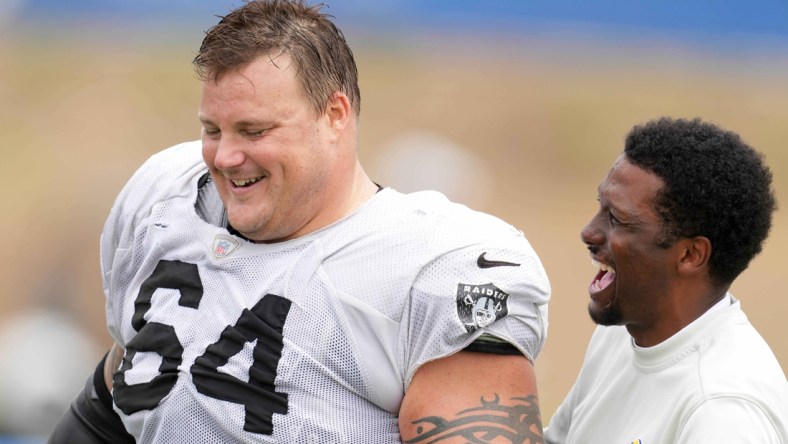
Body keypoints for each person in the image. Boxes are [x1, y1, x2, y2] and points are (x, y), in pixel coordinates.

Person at [48, 1, 551, 442]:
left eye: (253, 130)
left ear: (335, 114)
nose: (224, 157)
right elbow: (122, 391)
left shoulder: (431, 266)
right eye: (212, 129)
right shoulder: (165, 199)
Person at [544, 117, 788, 443]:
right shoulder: (622, 334)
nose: (588, 232)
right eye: (601, 207)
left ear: (690, 255)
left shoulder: (721, 412)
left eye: (617, 219)